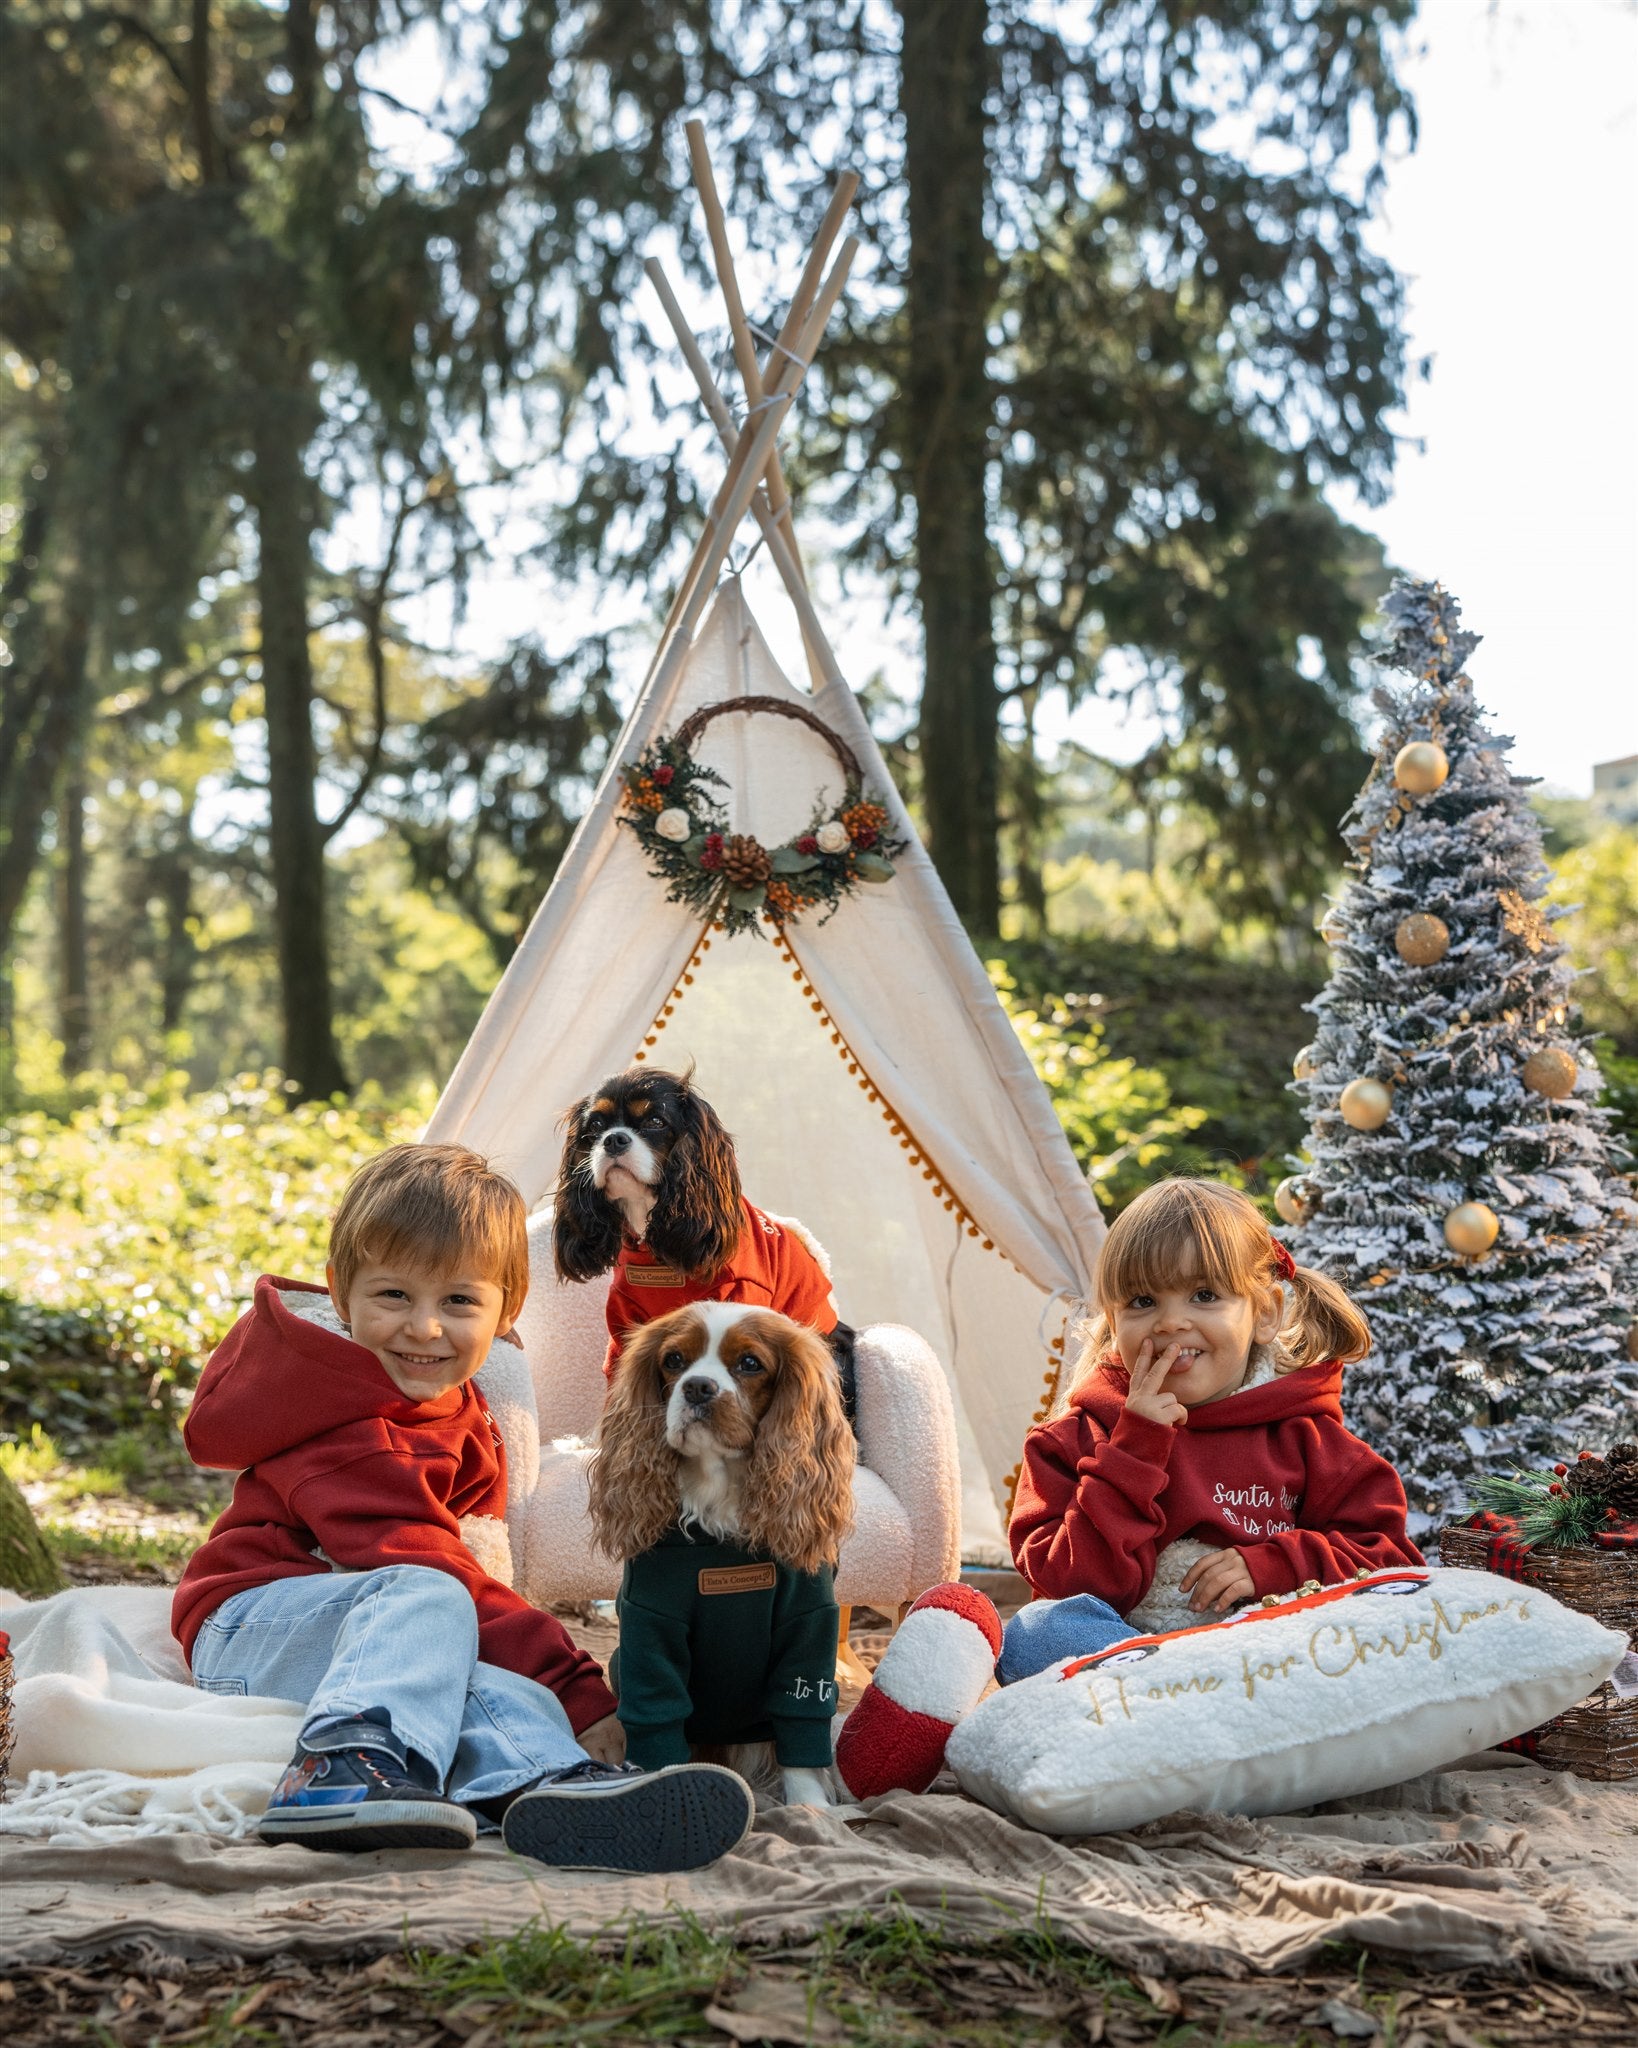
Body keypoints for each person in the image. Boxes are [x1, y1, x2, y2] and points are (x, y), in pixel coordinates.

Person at [170, 1143, 753, 1870]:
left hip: (372, 1634)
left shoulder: (454, 1406)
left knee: (478, 1675)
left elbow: (467, 1564)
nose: (424, 1328)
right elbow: (421, 1561)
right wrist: (570, 1681)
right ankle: (338, 1766)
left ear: (506, 1309)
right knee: (429, 1597)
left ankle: (548, 1785)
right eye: (393, 1297)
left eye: (457, 1301)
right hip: (253, 1624)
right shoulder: (346, 1418)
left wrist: (536, 1688)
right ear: (340, 1292)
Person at [1001, 1177, 1424, 1680]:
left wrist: (1272, 1564)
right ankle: (1182, 1707)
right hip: (1133, 1665)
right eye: (1142, 1301)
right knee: (1035, 1633)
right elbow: (1073, 1588)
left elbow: (1392, 1563)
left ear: (1264, 1314)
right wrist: (1132, 1453)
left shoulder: (1308, 1439)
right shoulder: (1071, 1440)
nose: (1170, 1322)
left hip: (1266, 1660)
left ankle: (1211, 1718)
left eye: (1204, 1295)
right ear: (1113, 1321)